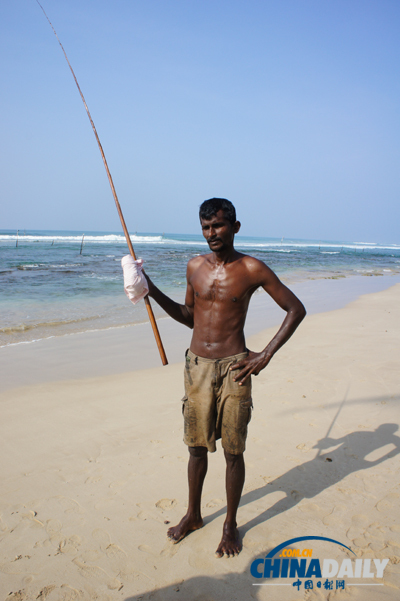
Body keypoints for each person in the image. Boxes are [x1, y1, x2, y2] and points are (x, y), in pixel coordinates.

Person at [144, 198, 306, 557]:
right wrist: (150, 289)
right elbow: (189, 315)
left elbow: (296, 309)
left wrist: (265, 355)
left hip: (235, 367)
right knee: (196, 447)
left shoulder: (252, 269)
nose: (211, 234)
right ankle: (193, 514)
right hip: (197, 366)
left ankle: (230, 523)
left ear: (235, 226)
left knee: (234, 451)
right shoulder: (194, 267)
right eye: (205, 227)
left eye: (218, 226)